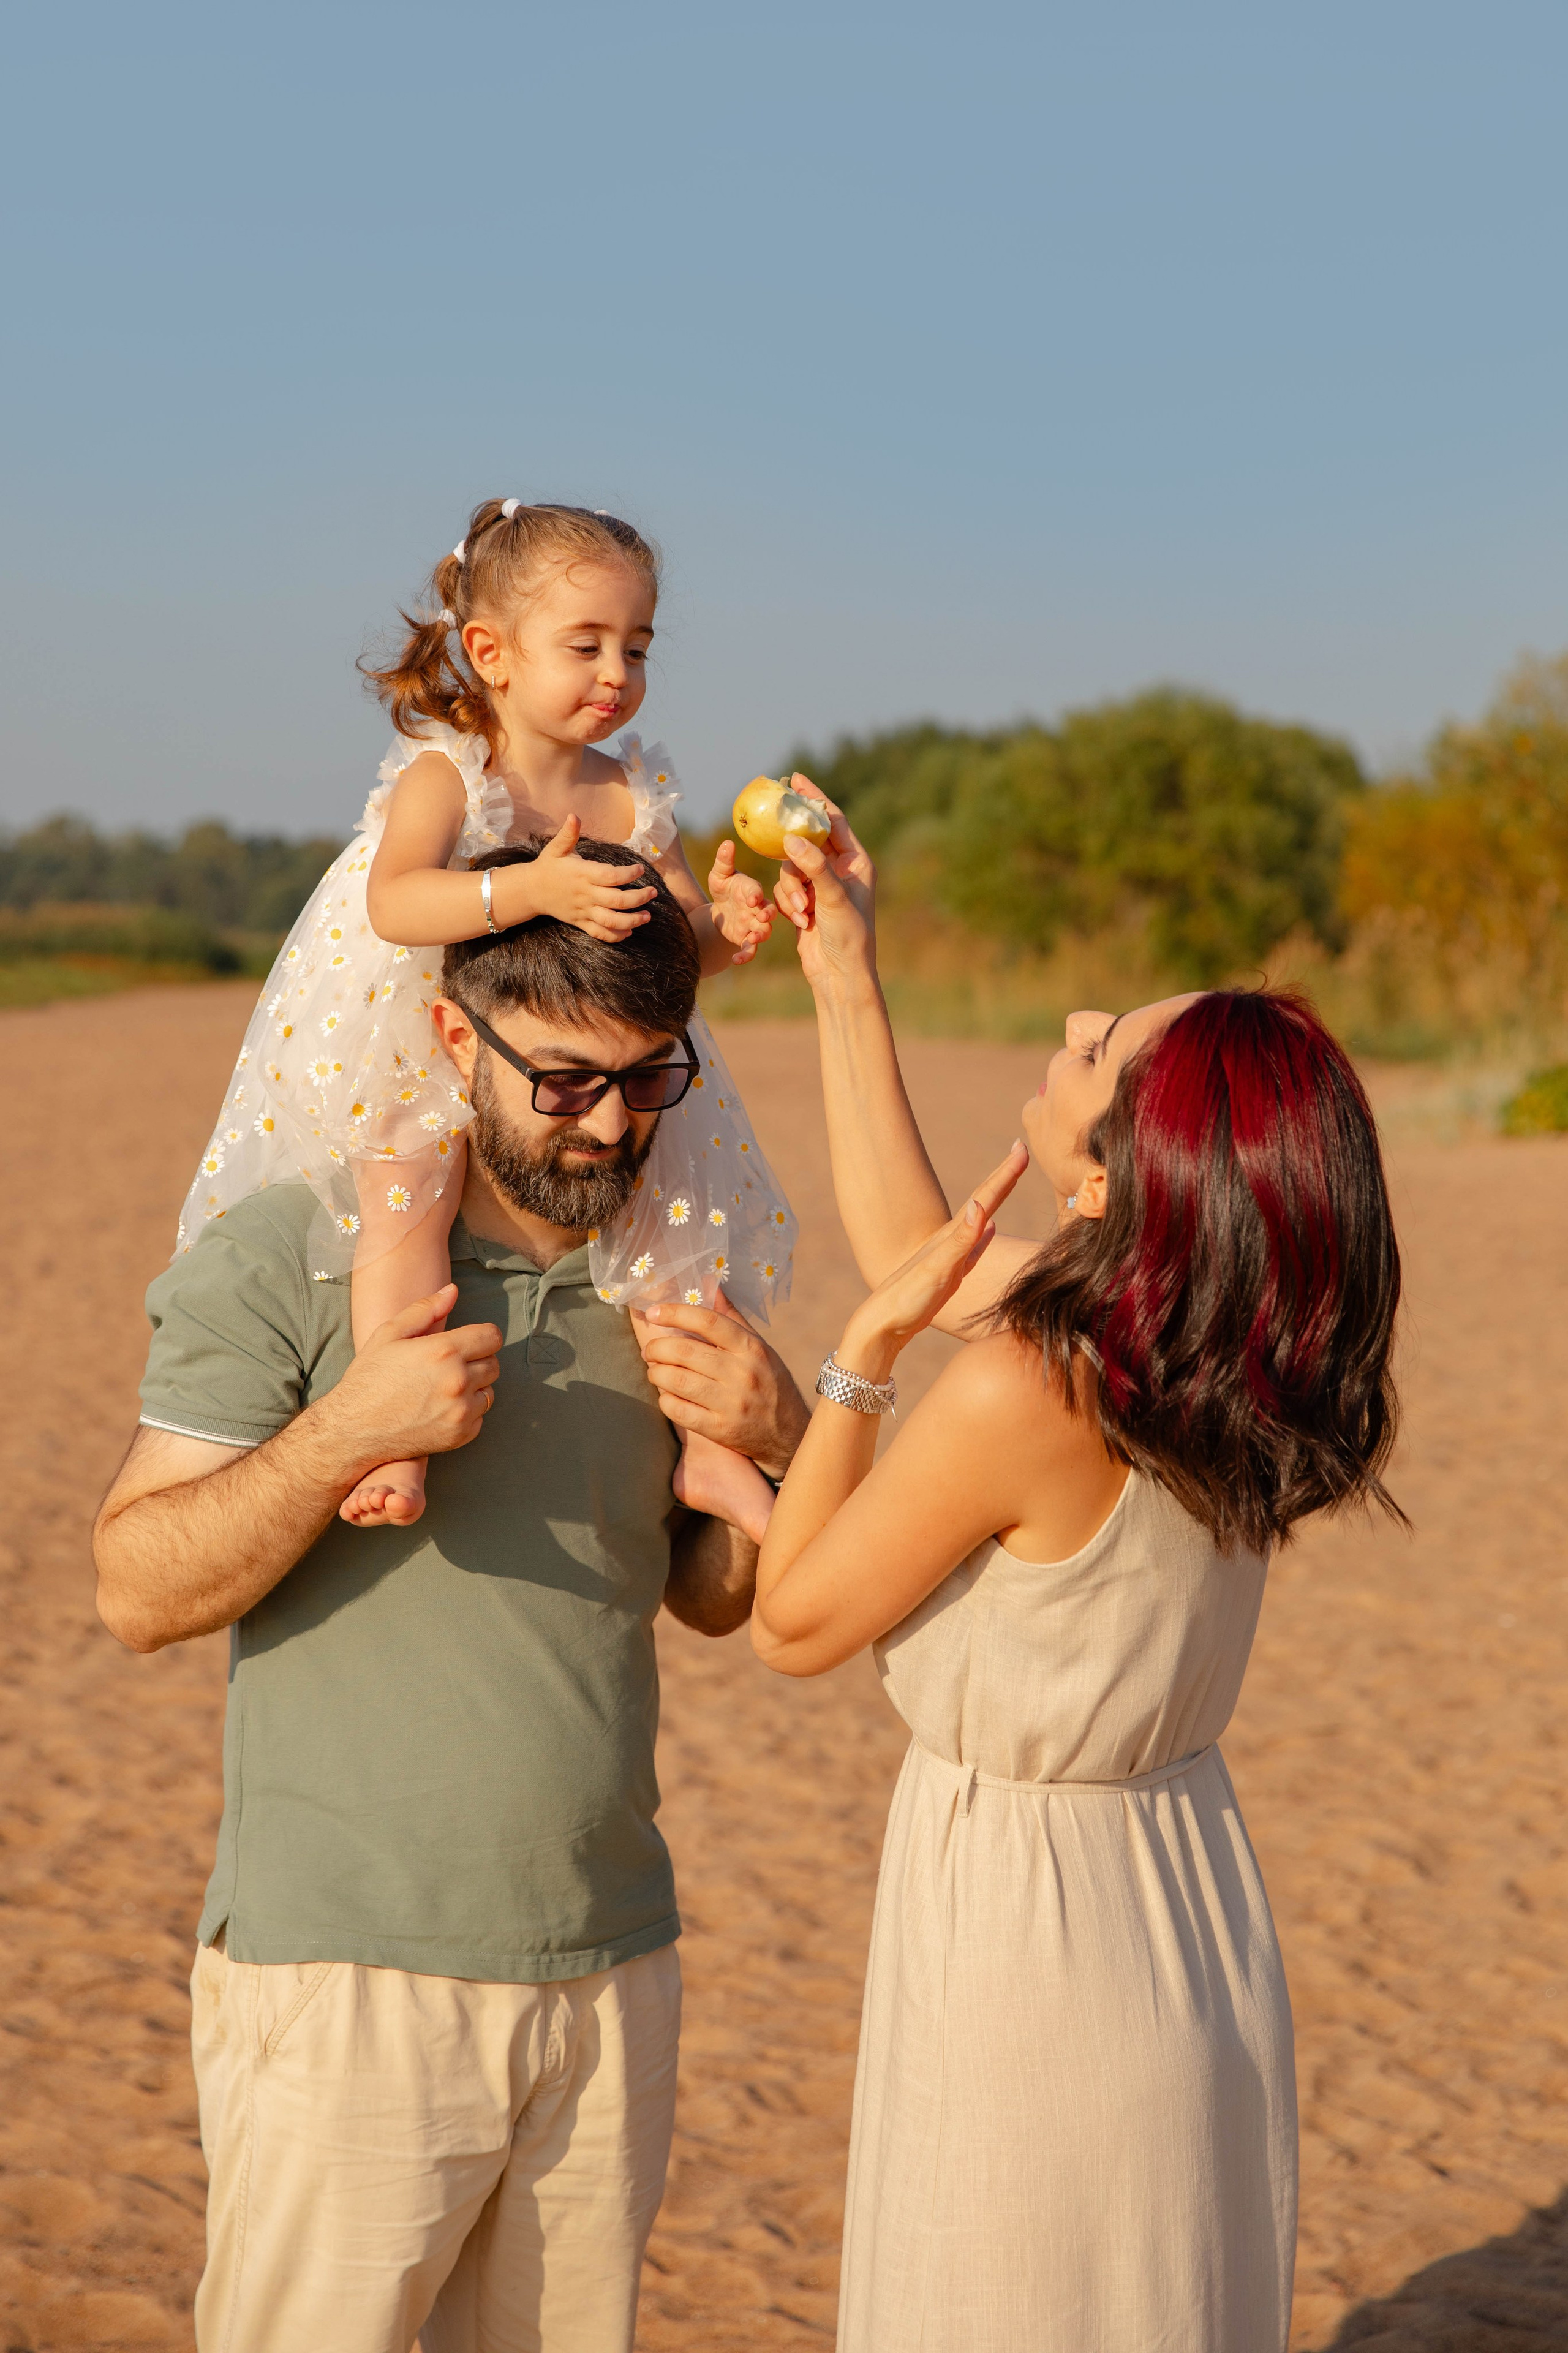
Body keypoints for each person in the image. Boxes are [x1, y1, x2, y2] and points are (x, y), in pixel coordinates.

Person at [93, 855, 810, 2353]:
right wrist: (351, 1428)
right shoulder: (297, 1255)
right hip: (345, 1982)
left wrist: (775, 1436)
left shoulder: (668, 1276)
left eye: (644, 1081)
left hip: (613, 1978)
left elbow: (708, 1598)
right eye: (560, 1082)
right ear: (444, 1039)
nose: (610, 1123)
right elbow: (135, 1587)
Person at [756, 806, 1404, 2352]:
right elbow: (920, 1241)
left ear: (1121, 1174)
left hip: (1028, 1947)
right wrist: (844, 973)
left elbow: (789, 1621)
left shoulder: (1025, 1390)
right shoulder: (1218, 1347)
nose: (1068, 1024)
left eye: (1100, 1046)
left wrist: (845, 1369)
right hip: (1180, 1905)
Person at [175, 494, 794, 1536]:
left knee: (673, 1221)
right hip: (424, 1030)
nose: (616, 676)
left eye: (636, 650)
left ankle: (714, 1455)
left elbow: (672, 949)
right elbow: (396, 899)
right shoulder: (453, 772)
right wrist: (530, 893)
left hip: (592, 1051)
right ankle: (395, 1421)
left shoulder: (633, 788)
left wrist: (724, 926)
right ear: (490, 652)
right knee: (404, 1201)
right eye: (586, 645)